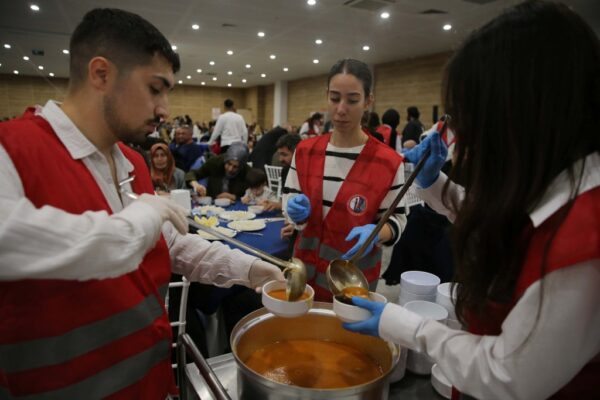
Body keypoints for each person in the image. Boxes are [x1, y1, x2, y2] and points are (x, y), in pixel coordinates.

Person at [0, 9, 283, 400]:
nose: (165, 109)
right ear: (101, 74)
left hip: (147, 379)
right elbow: (11, 241)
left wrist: (249, 269)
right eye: (155, 89)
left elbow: (169, 244)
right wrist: (142, 217)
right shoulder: (11, 148)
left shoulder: (132, 162)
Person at [344, 2, 600, 399]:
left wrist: (408, 326)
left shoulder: (585, 239)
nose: (466, 139)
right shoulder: (549, 182)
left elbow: (508, 375)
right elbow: (500, 218)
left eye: (473, 117)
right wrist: (434, 181)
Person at [283, 59, 407, 302]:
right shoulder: (306, 151)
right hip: (304, 274)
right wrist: (294, 212)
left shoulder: (388, 162)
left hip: (351, 278)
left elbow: (397, 219)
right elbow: (290, 198)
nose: (341, 109)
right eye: (334, 98)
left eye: (352, 100)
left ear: (368, 101)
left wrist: (376, 232)